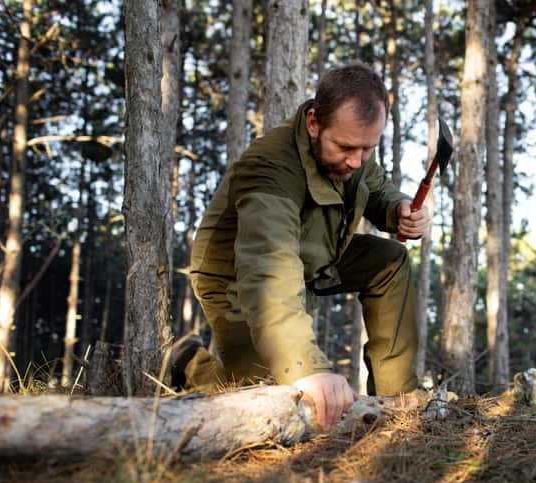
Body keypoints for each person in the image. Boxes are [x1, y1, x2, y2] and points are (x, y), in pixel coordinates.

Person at [180, 63, 430, 429]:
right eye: (346, 147)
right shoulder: (268, 167)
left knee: (389, 260)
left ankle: (397, 402)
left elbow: (374, 186)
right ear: (314, 123)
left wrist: (399, 209)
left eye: (368, 147)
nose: (356, 160)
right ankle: (188, 363)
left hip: (315, 254)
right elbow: (270, 270)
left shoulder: (353, 146)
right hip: (236, 276)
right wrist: (306, 368)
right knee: (267, 398)